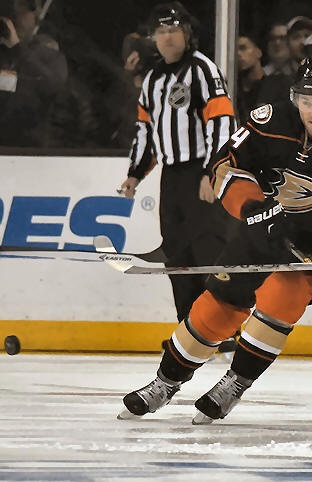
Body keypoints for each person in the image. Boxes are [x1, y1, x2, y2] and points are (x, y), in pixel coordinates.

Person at [118, 57, 312, 423]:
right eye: (307, 101)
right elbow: (224, 164)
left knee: (280, 302)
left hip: (311, 245)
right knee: (218, 305)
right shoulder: (268, 121)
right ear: (294, 98)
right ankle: (165, 382)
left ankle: (236, 382)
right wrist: (253, 209)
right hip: (260, 228)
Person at [118, 2, 235, 326]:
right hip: (171, 178)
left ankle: (222, 330)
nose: (167, 37)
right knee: (177, 257)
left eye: (173, 29)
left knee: (209, 253)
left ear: (187, 33)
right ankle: (190, 329)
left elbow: (222, 123)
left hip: (201, 174)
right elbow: (146, 130)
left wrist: (213, 171)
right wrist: (135, 174)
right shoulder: (152, 79)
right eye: (161, 30)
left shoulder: (203, 70)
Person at [0, 0, 67, 147]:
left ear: (36, 19)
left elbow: (52, 86)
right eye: (12, 9)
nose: (16, 15)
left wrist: (17, 48)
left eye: (24, 9)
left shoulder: (50, 57)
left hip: (29, 151)